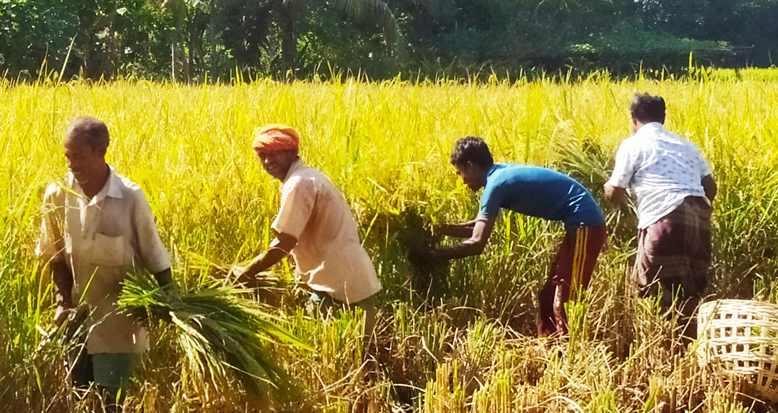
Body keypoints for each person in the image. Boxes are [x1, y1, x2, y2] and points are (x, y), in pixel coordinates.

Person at [36, 116, 173, 413]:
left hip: (121, 326)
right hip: (78, 323)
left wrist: (174, 305)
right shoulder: (57, 195)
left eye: (80, 157)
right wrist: (62, 301)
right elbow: (55, 257)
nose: (72, 165)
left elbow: (155, 257)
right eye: (68, 157)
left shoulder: (130, 197)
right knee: (82, 404)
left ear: (101, 151)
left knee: (116, 407)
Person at [413, 136, 607, 337]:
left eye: (460, 173)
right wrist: (437, 228)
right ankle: (551, 350)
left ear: (470, 166)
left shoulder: (496, 184)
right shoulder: (498, 177)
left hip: (586, 225)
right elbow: (476, 227)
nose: (462, 181)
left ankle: (569, 356)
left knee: (565, 300)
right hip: (579, 226)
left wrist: (432, 255)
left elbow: (477, 244)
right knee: (548, 296)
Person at [236, 125, 381, 335]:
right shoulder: (309, 176)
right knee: (360, 357)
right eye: (263, 156)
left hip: (335, 287)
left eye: (274, 153)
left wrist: (247, 273)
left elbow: (285, 243)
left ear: (292, 153)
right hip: (355, 279)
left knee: (330, 354)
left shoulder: (298, 184)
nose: (267, 162)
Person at [604, 93, 716, 337]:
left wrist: (610, 194)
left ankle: (656, 346)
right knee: (692, 289)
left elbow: (616, 190)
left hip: (665, 219)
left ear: (633, 118)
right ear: (663, 118)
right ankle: (692, 343)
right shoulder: (686, 145)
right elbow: (710, 187)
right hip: (699, 216)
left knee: (648, 287)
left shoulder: (633, 144)